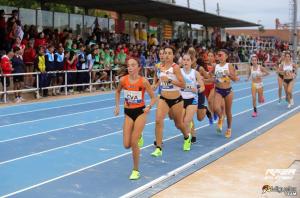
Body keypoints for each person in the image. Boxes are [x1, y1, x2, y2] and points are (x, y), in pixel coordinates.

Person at [114, 58, 156, 180]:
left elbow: (154, 98)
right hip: (128, 112)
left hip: (140, 112)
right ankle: (139, 136)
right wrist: (117, 106)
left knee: (133, 142)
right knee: (126, 145)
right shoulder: (123, 80)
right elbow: (117, 92)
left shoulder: (143, 82)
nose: (130, 67)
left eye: (133, 65)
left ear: (138, 67)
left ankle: (135, 170)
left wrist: (149, 107)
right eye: (129, 65)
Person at [151, 46, 191, 157]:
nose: (167, 55)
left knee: (178, 124)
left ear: (173, 56)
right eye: (165, 53)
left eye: (169, 53)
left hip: (176, 100)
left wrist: (169, 80)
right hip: (163, 98)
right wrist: (155, 84)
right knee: (158, 121)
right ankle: (158, 148)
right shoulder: (159, 66)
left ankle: (187, 137)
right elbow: (158, 77)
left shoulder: (175, 68)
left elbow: (183, 84)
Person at [213, 49, 239, 138]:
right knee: (216, 107)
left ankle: (229, 129)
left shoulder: (229, 66)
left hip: (228, 91)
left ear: (226, 56)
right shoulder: (215, 66)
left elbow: (235, 79)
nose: (220, 56)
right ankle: (220, 118)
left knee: (228, 112)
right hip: (218, 90)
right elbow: (210, 76)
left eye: (221, 55)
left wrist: (229, 75)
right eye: (218, 55)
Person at [180, 53, 205, 143]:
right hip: (181, 100)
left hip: (192, 99)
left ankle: (187, 140)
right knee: (181, 122)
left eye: (188, 60)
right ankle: (192, 133)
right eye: (184, 60)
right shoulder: (178, 72)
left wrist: (197, 90)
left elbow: (202, 87)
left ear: (191, 62)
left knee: (186, 121)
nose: (186, 61)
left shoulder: (195, 73)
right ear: (182, 61)